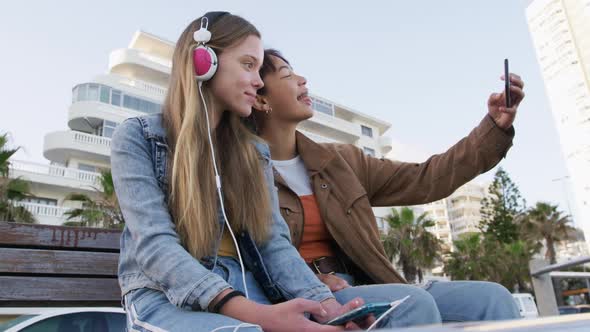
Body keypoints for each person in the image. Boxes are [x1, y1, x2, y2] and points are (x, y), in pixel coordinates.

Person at [111, 13, 436, 332]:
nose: (258, 80)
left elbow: (273, 244)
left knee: (401, 311)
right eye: (248, 64)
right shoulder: (138, 138)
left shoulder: (253, 152)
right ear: (203, 62)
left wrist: (327, 308)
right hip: (165, 298)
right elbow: (155, 245)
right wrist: (258, 316)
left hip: (251, 288)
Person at [250, 49, 524, 324]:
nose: (302, 79)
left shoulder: (341, 160)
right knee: (412, 304)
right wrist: (313, 280)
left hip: (369, 283)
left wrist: (494, 128)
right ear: (260, 98)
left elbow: (426, 179)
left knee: (493, 299)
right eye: (287, 74)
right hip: (305, 298)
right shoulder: (240, 172)